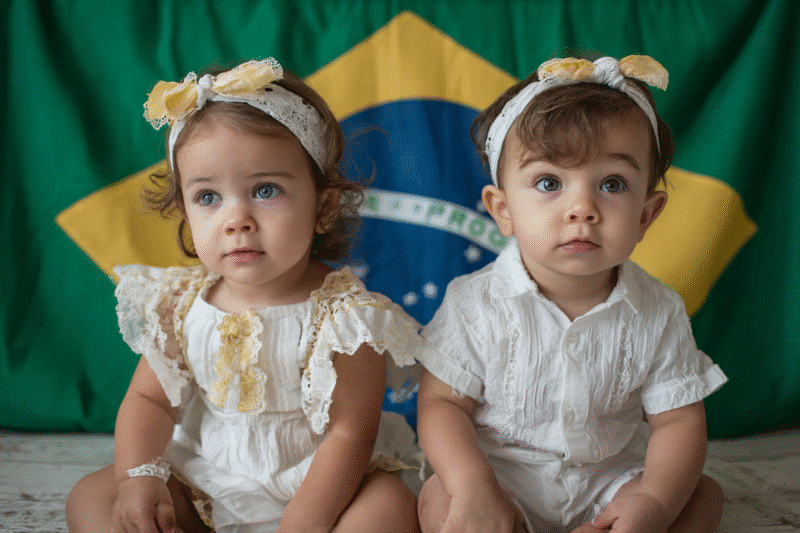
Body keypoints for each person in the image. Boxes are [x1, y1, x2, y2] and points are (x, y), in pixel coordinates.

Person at [66, 58, 423, 533]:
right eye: (208, 197)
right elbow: (149, 401)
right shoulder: (179, 304)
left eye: (266, 190)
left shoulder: (347, 317)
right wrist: (140, 477)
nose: (237, 220)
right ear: (185, 213)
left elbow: (349, 433)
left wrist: (305, 521)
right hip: (205, 481)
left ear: (323, 206)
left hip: (324, 487)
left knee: (389, 508)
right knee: (93, 498)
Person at [415, 55, 727, 533]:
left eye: (612, 184)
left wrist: (652, 501)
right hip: (502, 479)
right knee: (440, 497)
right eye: (549, 183)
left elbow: (677, 423)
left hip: (607, 483)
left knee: (702, 496)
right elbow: (442, 404)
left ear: (646, 215)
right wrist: (473, 485)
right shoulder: (474, 304)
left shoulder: (658, 310)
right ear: (503, 210)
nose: (582, 208)